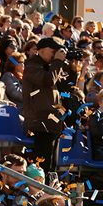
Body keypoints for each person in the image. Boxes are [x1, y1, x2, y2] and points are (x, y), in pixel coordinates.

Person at [22, 37, 71, 168]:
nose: (55, 54)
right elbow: (47, 80)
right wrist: (57, 62)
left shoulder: (50, 67)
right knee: (43, 163)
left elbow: (65, 87)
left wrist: (67, 65)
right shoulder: (32, 66)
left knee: (51, 164)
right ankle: (40, 187)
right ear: (41, 50)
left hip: (51, 122)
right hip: (39, 123)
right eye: (53, 50)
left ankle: (48, 186)